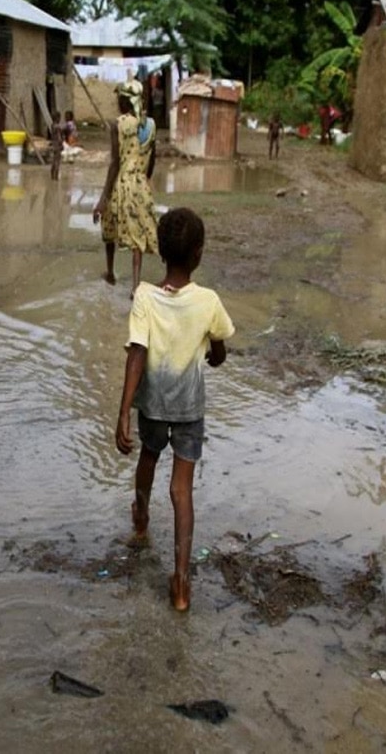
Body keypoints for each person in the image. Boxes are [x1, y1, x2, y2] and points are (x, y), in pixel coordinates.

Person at [115, 207, 235, 612]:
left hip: (152, 406)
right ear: (199, 254)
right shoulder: (209, 302)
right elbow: (219, 353)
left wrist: (122, 413)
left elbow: (136, 355)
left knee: (148, 456)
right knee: (182, 491)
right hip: (189, 408)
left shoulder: (145, 297)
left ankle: (142, 517)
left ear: (160, 254)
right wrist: (210, 350)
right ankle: (182, 584)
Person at [93, 89, 158, 293]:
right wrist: (144, 180)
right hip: (140, 183)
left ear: (122, 102)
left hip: (121, 183)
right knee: (137, 233)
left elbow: (114, 163)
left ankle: (110, 273)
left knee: (109, 225)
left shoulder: (117, 124)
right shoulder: (151, 124)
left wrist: (103, 198)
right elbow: (153, 159)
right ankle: (135, 286)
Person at [50, 110, 64, 180]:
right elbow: (59, 138)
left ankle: (52, 175)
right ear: (58, 118)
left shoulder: (52, 125)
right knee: (57, 161)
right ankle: (56, 176)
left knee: (53, 160)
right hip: (57, 145)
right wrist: (61, 144)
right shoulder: (58, 127)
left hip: (53, 145)